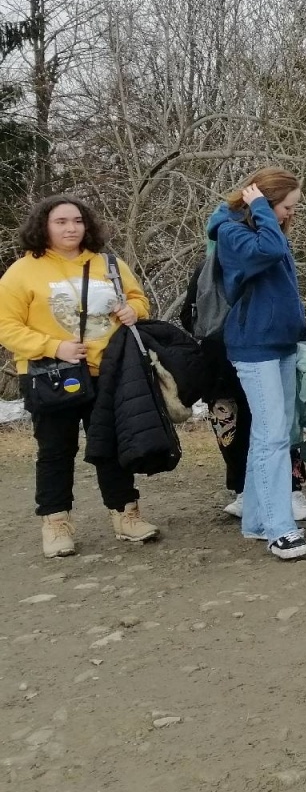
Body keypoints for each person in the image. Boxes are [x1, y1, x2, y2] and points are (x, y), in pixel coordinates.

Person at [0, 195, 159, 557]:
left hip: (108, 370)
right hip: (50, 373)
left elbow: (138, 300)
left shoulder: (108, 263)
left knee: (112, 446)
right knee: (56, 450)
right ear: (43, 226)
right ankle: (56, 523)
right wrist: (54, 346)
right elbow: (5, 326)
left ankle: (126, 515)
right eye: (61, 222)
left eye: (77, 221)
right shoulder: (23, 272)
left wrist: (133, 310)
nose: (71, 228)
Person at [205, 170, 306, 559]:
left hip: (280, 341)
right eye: (286, 207)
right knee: (272, 438)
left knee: (273, 433)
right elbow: (267, 251)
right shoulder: (232, 233)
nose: (288, 215)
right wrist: (260, 210)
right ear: (264, 203)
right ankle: (278, 527)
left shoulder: (261, 227)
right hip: (254, 345)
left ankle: (255, 517)